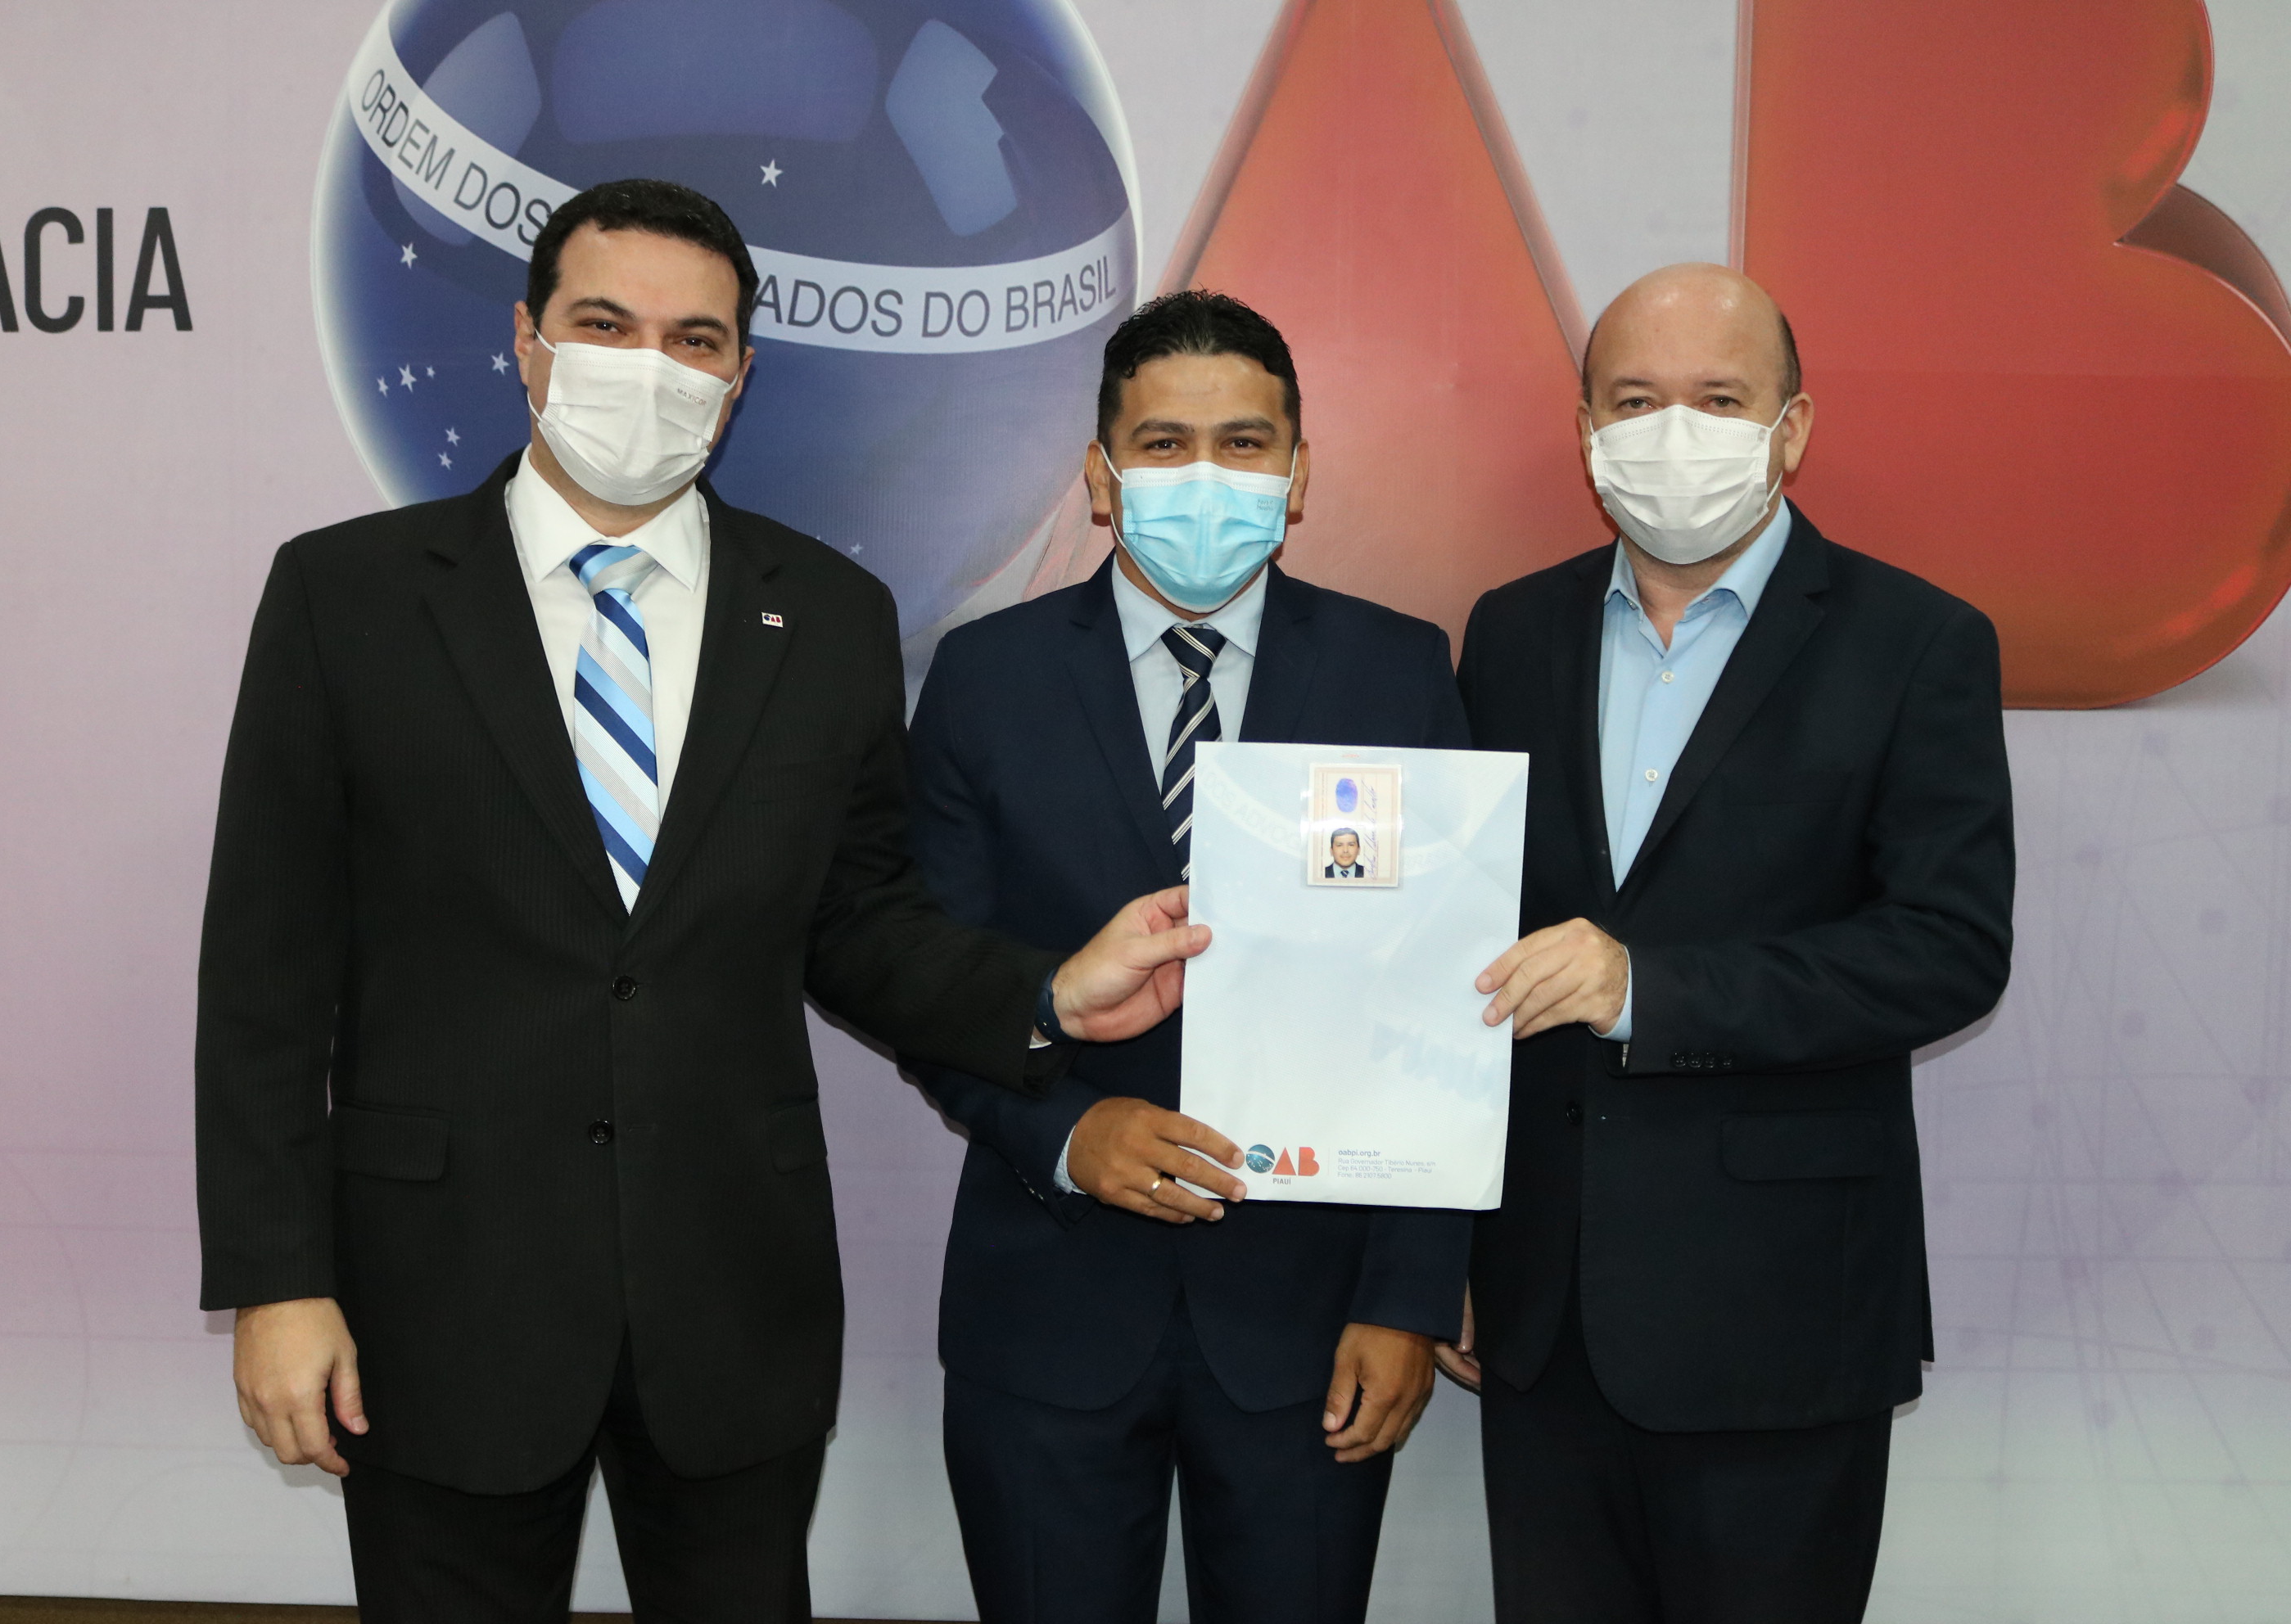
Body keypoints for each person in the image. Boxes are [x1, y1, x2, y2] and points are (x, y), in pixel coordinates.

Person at [194, 178, 1211, 1624]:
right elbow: (264, 979)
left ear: (739, 377)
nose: (649, 369)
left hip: (732, 1299)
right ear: (528, 342)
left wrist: (1045, 992)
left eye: (695, 340)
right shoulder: (345, 597)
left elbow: (856, 924)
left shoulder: (829, 618)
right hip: (441, 1299)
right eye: (606, 325)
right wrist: (277, 1282)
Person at [1440, 263, 2014, 1622]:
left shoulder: (1918, 642)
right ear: (1587, 430)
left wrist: (1651, 989)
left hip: (1782, 1321)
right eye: (1636, 401)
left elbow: (1947, 949)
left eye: (1718, 399)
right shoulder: (1510, 633)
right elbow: (1453, 943)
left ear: (1791, 428)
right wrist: (1443, 1252)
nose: (1673, 434)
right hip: (1541, 1318)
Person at [904, 291, 1473, 1624]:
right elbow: (927, 979)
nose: (1204, 476)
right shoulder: (984, 678)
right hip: (1045, 1307)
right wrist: (1067, 1133)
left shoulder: (1401, 672)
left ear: (1298, 474)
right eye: (1163, 444)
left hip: (1312, 1329)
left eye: (1243, 443)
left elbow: (1445, 999)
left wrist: (1408, 1296)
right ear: (1102, 478)